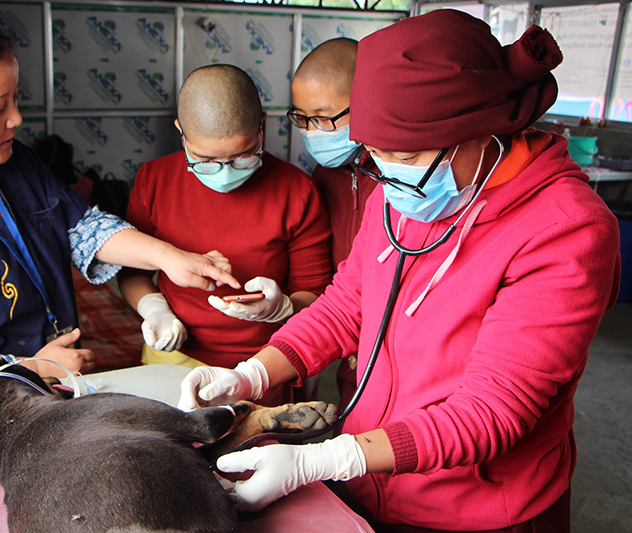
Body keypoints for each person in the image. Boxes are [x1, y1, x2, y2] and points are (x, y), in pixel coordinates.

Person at [178, 10, 621, 532]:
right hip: (370, 481)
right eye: (375, 156)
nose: (388, 175)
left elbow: (492, 411)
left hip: (474, 507)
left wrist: (325, 459)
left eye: (405, 155)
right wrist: (251, 373)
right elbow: (347, 307)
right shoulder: (405, 194)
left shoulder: (565, 229)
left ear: (483, 132)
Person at [0, 9, 239, 397]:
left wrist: (170, 257)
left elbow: (83, 228)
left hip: (53, 386)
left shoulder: (11, 162)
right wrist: (34, 368)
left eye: (15, 99)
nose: (16, 119)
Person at [118, 64, 333, 406]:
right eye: (204, 160)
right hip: (176, 357)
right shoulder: (154, 181)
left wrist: (284, 307)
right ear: (181, 132)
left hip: (263, 362)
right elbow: (131, 271)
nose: (225, 173)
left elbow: (319, 295)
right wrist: (154, 308)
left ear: (262, 125)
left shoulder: (298, 192)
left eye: (243, 156)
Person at [289, 37, 379, 406]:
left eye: (324, 118)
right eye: (302, 118)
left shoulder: (405, 176)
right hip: (344, 336)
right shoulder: (324, 175)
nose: (313, 131)